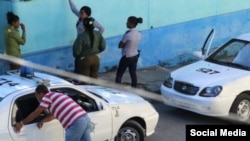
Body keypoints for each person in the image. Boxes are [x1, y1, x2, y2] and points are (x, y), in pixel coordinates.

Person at [13, 84, 92, 141]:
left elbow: (36, 112)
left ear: (40, 93)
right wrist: (42, 121)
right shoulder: (57, 95)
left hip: (75, 123)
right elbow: (52, 116)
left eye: (37, 96)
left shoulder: (47, 97)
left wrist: (21, 123)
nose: (38, 99)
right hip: (85, 118)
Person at [115, 16, 143, 88]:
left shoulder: (128, 34)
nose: (126, 23)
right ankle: (134, 88)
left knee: (119, 74)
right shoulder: (139, 34)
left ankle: (117, 90)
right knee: (133, 73)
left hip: (127, 56)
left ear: (131, 24)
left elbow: (120, 45)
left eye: (127, 22)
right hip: (135, 55)